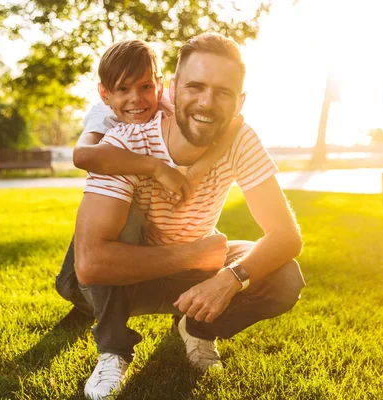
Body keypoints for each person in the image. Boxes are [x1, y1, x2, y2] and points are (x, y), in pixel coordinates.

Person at [74, 33, 305, 399]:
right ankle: (113, 351)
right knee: (110, 239)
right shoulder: (123, 143)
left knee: (284, 276)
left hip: (195, 274)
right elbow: (91, 264)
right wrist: (196, 254)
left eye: (223, 92)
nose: (207, 102)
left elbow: (287, 236)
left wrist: (230, 277)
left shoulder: (241, 139)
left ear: (239, 100)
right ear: (175, 88)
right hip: (128, 280)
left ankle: (196, 329)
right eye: (195, 86)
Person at [56, 39, 242, 316]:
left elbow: (233, 126)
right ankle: (85, 302)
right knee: (116, 229)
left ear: (160, 84)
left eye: (145, 87)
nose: (136, 98)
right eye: (123, 89)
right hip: (115, 207)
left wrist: (194, 173)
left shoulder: (169, 104)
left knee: (193, 233)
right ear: (105, 95)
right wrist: (156, 168)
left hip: (160, 214)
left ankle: (186, 311)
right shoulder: (104, 115)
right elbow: (83, 156)